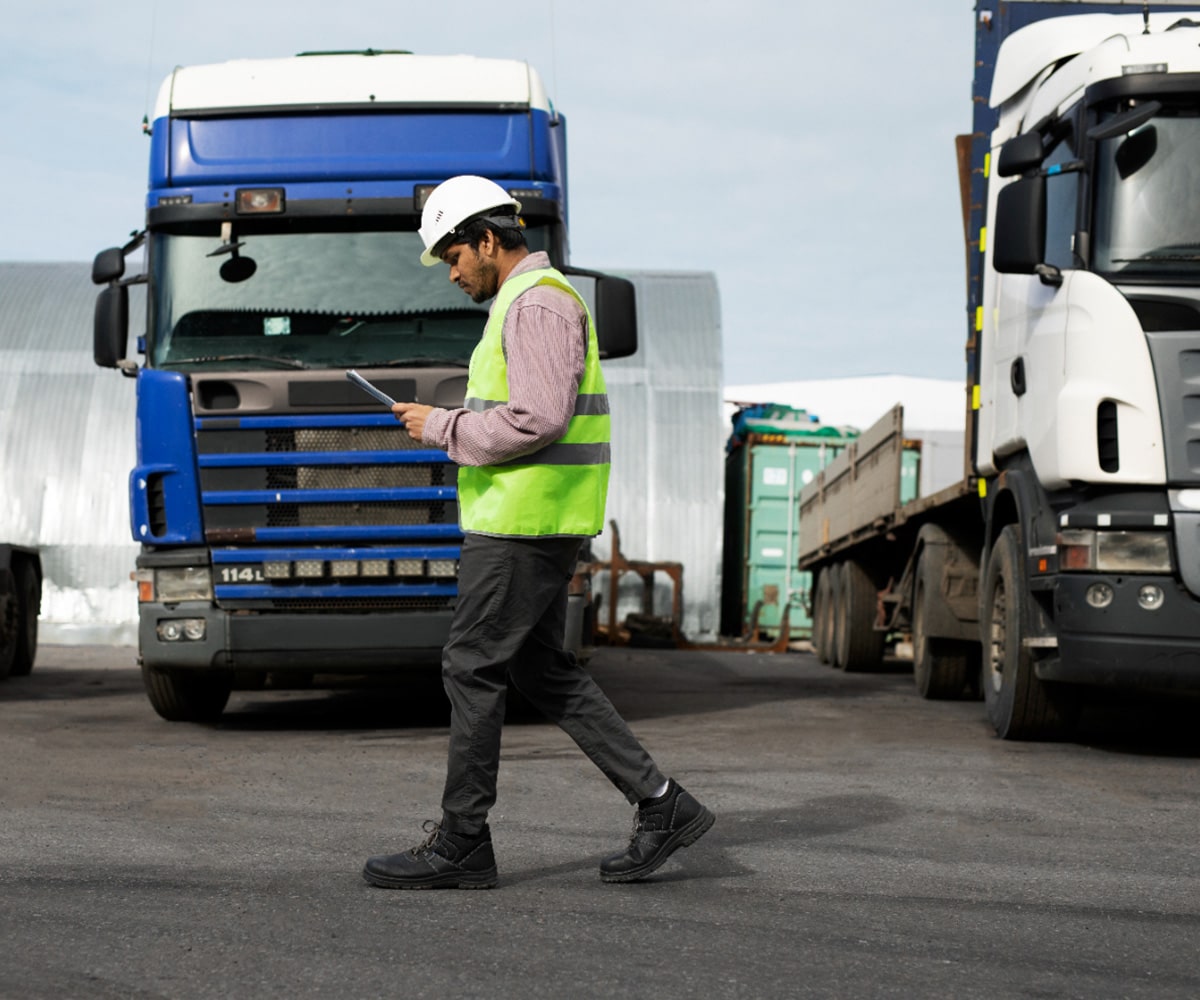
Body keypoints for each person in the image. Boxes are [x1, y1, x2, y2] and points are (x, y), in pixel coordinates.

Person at [362, 175, 714, 889]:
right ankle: (661, 803)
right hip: (532, 518)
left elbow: (540, 417)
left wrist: (443, 427)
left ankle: (463, 842)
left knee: (471, 666)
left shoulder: (538, 304)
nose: (451, 271)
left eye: (453, 255)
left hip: (524, 525)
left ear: (488, 240)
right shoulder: (529, 304)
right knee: (539, 669)